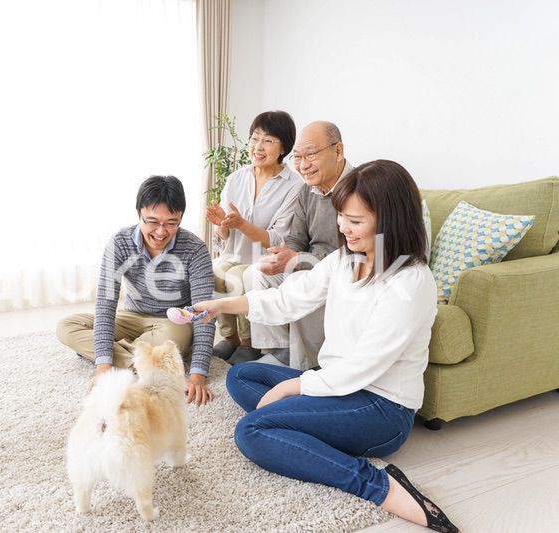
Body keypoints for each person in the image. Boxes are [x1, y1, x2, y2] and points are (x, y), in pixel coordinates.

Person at [194, 160, 458, 532]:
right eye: (341, 216)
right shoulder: (343, 261)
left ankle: (377, 484)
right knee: (241, 376)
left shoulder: (410, 281)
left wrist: (293, 387)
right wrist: (221, 305)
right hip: (336, 385)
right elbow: (288, 299)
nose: (343, 227)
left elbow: (366, 364)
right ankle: (307, 430)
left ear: (390, 219)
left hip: (382, 407)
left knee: (251, 432)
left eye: (355, 220)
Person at [57, 175, 216, 406]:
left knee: (176, 338)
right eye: (152, 221)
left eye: (171, 223)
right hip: (131, 316)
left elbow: (204, 313)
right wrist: (103, 368)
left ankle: (131, 352)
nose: (161, 232)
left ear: (181, 218)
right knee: (67, 326)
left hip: (171, 323)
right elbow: (105, 304)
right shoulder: (120, 242)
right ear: (138, 214)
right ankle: (151, 361)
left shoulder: (195, 249)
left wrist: (198, 375)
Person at [247, 121, 353, 368]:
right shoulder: (307, 190)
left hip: (340, 269)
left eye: (311, 155)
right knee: (256, 272)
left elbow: (354, 252)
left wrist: (299, 259)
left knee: (299, 281)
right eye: (297, 157)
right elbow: (297, 238)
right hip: (309, 263)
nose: (303, 165)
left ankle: (306, 365)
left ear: (338, 151)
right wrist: (284, 254)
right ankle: (280, 349)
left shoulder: (359, 187)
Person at [205, 110, 301, 364]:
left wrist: (242, 224)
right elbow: (223, 235)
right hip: (233, 254)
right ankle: (230, 338)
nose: (258, 147)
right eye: (255, 138)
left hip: (264, 259)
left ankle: (249, 344)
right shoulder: (236, 178)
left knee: (238, 277)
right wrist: (222, 224)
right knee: (212, 271)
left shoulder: (294, 185)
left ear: (283, 148)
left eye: (268, 141)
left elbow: (278, 238)